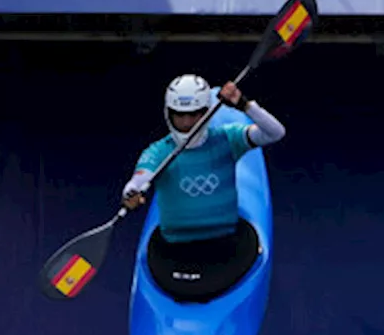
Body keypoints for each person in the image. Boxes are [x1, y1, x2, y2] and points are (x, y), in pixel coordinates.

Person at [121, 74, 287, 301]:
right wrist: (132, 193)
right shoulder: (157, 152)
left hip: (225, 244)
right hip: (175, 250)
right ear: (169, 114)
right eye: (180, 116)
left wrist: (245, 105)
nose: (187, 123)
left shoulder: (228, 139)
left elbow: (275, 133)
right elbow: (139, 179)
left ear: (207, 112)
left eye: (195, 115)